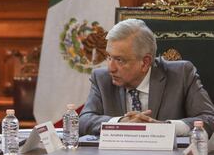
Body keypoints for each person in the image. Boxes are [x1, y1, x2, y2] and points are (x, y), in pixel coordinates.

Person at [79, 18, 214, 137]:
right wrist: (121, 123)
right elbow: (83, 121)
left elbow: (208, 118)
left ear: (145, 62)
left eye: (119, 60)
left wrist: (165, 127)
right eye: (109, 57)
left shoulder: (181, 75)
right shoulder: (102, 79)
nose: (110, 68)